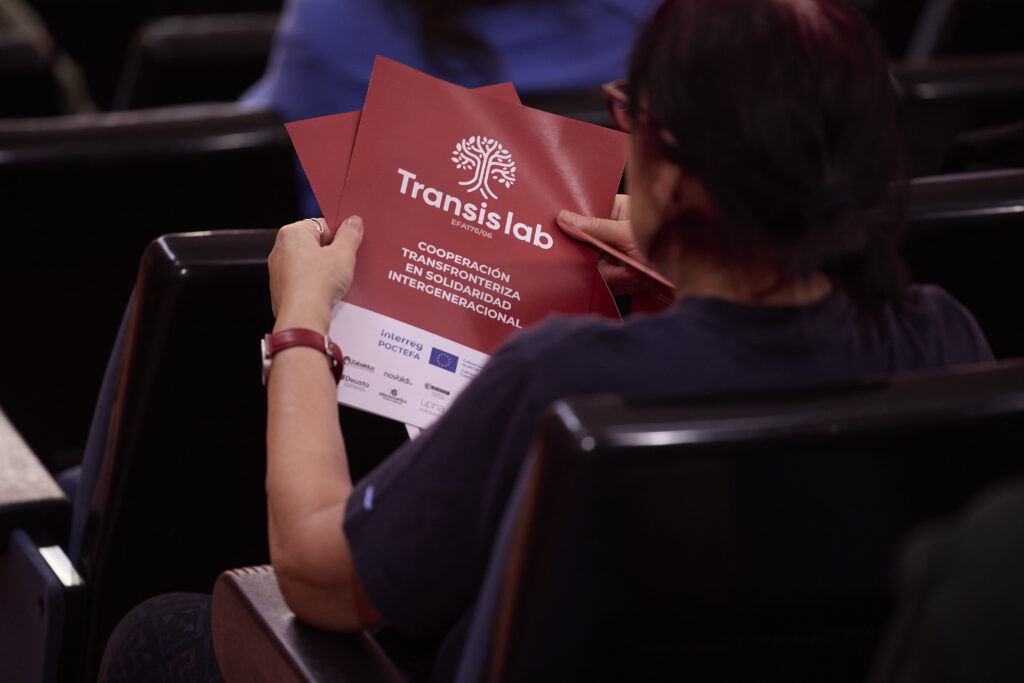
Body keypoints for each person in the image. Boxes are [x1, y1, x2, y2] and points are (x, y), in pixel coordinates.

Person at [262, 0, 993, 680]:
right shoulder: (939, 334)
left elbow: (319, 578)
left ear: (671, 178)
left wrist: (301, 322)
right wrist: (694, 272)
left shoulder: (561, 378)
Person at [241, 0, 658, 216]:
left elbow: (244, 159)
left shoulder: (328, 23)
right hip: (610, 331)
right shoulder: (658, 23)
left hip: (357, 317)